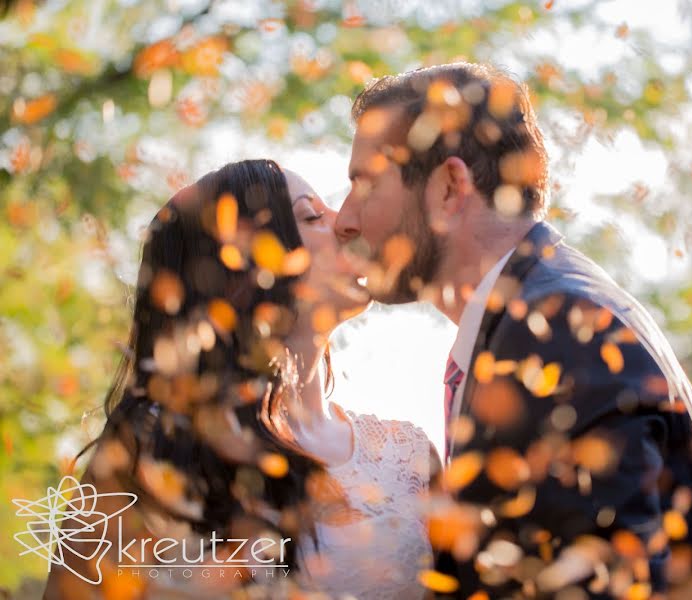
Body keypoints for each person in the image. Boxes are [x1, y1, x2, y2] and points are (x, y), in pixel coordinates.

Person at [336, 63, 692, 598]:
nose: (343, 219)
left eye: (365, 185)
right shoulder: (544, 311)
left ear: (449, 188)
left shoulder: (553, 332)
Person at [45, 159, 437, 599]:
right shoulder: (154, 449)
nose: (346, 222)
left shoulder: (409, 457)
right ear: (242, 269)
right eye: (311, 216)